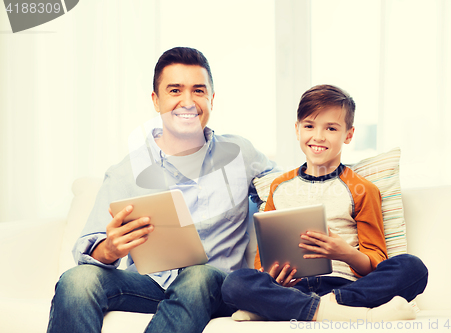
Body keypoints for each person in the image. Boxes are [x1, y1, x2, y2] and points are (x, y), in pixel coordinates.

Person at [46, 47, 275, 333]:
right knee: (76, 280)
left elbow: (284, 189)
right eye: (175, 90)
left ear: (212, 99)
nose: (188, 102)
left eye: (198, 91)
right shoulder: (126, 171)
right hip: (149, 285)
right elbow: (89, 252)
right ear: (156, 101)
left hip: (217, 286)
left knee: (197, 276)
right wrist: (110, 248)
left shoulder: (241, 153)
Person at [221, 84, 428, 322]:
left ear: (348, 135)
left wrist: (345, 253)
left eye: (331, 128)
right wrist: (276, 277)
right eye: (309, 126)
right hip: (292, 288)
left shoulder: (363, 189)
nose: (318, 136)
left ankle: (304, 308)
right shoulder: (278, 187)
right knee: (234, 283)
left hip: (345, 287)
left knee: (412, 268)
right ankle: (350, 315)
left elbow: (376, 263)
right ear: (297, 129)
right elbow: (263, 266)